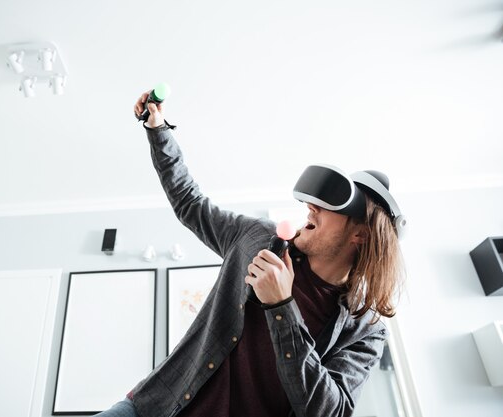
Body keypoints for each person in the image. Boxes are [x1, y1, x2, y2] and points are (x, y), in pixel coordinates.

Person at [96, 90, 405, 417]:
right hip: (151, 408)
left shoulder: (365, 330)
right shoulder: (258, 237)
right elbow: (192, 204)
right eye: (315, 200)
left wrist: (281, 306)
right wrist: (159, 131)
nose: (311, 208)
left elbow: (329, 412)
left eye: (331, 206)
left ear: (361, 233)